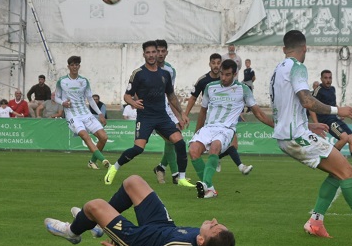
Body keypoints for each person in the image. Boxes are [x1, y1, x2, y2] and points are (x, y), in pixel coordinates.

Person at [271, 30, 352, 239]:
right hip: (296, 136)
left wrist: (309, 126)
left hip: (290, 134)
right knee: (347, 170)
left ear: (284, 49)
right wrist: (338, 110)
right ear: (305, 48)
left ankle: (316, 222)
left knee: (337, 171)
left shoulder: (277, 71)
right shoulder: (297, 67)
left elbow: (283, 108)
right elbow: (307, 101)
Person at [44, 175, 235, 246]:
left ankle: (72, 232)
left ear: (201, 241)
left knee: (94, 205)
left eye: (214, 226)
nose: (213, 220)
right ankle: (95, 223)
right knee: (133, 181)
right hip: (161, 226)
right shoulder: (210, 244)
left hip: (136, 239)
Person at [105, 41, 190, 187]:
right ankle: (114, 167)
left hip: (162, 116)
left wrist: (181, 113)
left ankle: (181, 178)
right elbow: (127, 96)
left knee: (180, 142)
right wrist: (133, 103)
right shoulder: (138, 74)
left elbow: (171, 96)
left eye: (154, 52)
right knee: (138, 148)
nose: (151, 55)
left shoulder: (165, 74)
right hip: (145, 117)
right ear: (144, 54)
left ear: (158, 53)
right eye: (148, 52)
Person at [191, 59, 274, 199]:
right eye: (222, 74)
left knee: (215, 147)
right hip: (209, 127)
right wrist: (197, 131)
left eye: (227, 75)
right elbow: (203, 111)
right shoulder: (210, 87)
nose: (223, 78)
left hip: (226, 129)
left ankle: (205, 184)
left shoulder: (243, 89)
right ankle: (209, 188)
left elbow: (258, 113)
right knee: (193, 150)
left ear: (235, 74)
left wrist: (276, 127)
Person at [183, 53, 253, 175]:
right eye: (213, 63)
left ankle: (217, 158)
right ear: (209, 64)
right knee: (198, 150)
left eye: (218, 63)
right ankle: (235, 165)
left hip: (226, 122)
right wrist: (185, 114)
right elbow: (193, 98)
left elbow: (234, 100)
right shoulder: (205, 81)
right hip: (210, 121)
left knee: (234, 146)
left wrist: (239, 113)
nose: (216, 66)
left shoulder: (229, 81)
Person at [310, 70, 352, 173]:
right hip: (326, 120)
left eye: (330, 78)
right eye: (326, 78)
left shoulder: (332, 89)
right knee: (344, 138)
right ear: (321, 79)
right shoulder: (318, 90)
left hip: (334, 118)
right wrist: (316, 123)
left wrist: (340, 113)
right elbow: (311, 107)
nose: (328, 80)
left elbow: (333, 105)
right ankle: (329, 160)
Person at [55, 56, 110, 170]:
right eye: (72, 65)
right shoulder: (62, 81)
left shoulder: (84, 81)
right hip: (72, 114)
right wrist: (63, 103)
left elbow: (90, 99)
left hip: (85, 113)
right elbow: (56, 97)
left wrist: (100, 114)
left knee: (103, 137)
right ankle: (103, 160)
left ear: (79, 66)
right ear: (68, 66)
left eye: (76, 65)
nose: (74, 67)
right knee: (85, 135)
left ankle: (92, 162)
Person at [151, 39, 182, 185]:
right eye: (158, 51)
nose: (160, 54)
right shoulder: (145, 69)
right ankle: (175, 175)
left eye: (163, 51)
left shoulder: (170, 70)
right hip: (153, 112)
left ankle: (161, 168)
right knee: (171, 139)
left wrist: (179, 115)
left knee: (174, 139)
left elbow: (170, 94)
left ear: (167, 52)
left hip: (167, 110)